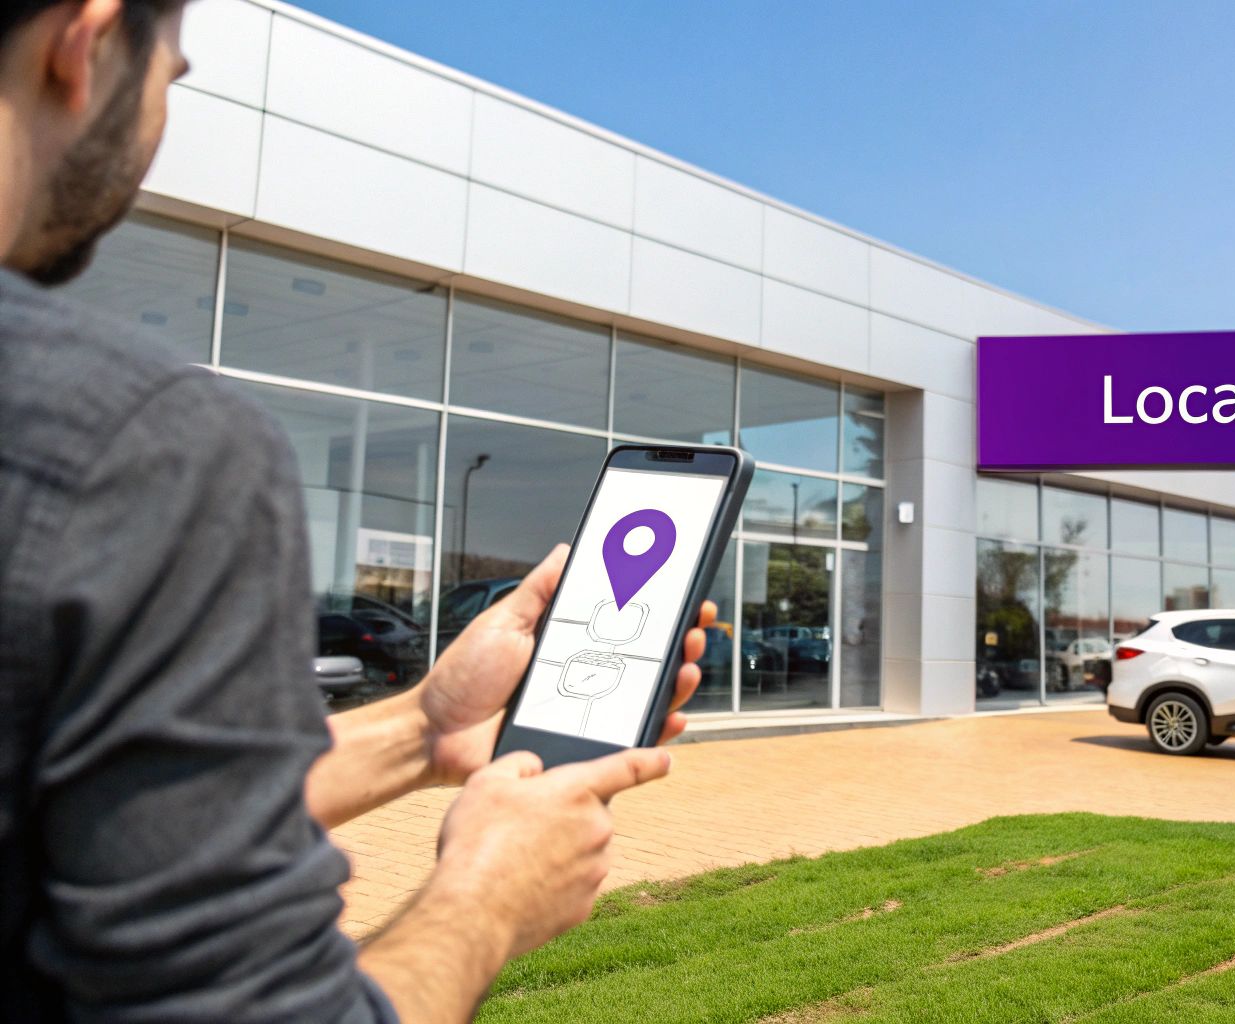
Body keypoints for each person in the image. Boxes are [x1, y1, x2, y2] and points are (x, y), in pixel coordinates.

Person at [0, 2, 708, 1020]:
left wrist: (424, 728)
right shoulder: (140, 445)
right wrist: (487, 900)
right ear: (88, 40)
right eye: (171, 77)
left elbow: (102, 816)